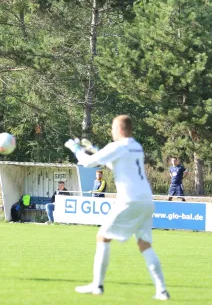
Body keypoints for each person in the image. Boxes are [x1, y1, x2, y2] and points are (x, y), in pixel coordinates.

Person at [65, 115, 169, 300]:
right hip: (146, 199)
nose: (112, 132)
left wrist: (76, 149)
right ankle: (161, 290)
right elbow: (117, 165)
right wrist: (95, 150)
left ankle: (97, 285)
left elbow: (88, 163)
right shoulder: (136, 146)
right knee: (144, 244)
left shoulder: (118, 146)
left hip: (130, 200)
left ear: (119, 129)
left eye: (113, 128)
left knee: (102, 237)